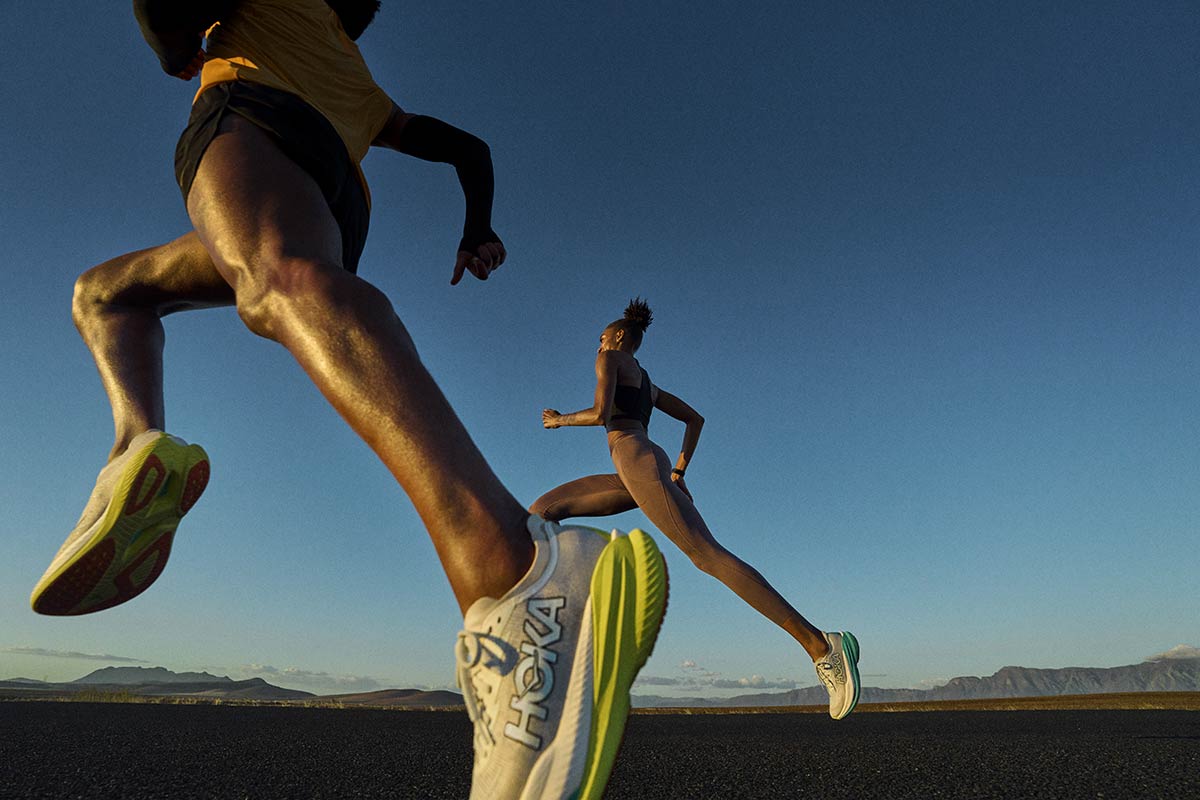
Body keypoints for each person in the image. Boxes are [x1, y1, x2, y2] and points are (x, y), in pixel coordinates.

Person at [30, 2, 667, 797]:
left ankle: (518, 573)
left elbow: (163, 15)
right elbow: (470, 148)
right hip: (337, 197)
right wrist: (479, 227)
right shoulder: (360, 83)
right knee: (107, 295)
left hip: (252, 129)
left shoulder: (266, 13)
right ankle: (135, 448)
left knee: (276, 279)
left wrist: (176, 49)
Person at [532, 298, 860, 719]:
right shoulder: (647, 383)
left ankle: (822, 647)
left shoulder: (611, 358)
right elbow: (695, 419)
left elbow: (600, 413)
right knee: (542, 511)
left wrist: (559, 420)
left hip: (637, 461)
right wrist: (679, 471)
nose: (597, 346)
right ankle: (558, 639)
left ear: (616, 337)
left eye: (600, 339)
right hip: (638, 467)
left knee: (707, 555)